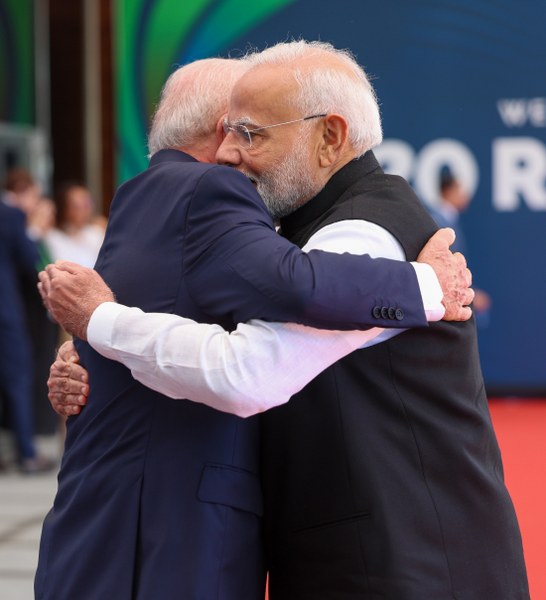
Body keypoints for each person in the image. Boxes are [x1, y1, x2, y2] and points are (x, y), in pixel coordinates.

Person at [48, 40, 526, 599]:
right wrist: (89, 357)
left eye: (250, 134)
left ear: (329, 137)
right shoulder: (292, 232)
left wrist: (101, 321)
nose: (227, 153)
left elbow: (246, 372)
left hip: (403, 567)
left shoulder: (362, 236)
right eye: (227, 131)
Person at [0, 189, 54, 473]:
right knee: (17, 378)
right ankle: (27, 453)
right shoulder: (11, 214)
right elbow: (29, 257)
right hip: (5, 312)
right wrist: (33, 229)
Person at [429, 169, 492, 320]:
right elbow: (444, 265)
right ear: (447, 191)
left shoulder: (449, 219)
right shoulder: (438, 221)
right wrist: (469, 294)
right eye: (459, 189)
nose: (465, 195)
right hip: (446, 300)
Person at [45, 181, 105, 268]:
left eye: (87, 204)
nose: (85, 210)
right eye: (76, 205)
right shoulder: (52, 237)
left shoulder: (96, 232)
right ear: (64, 209)